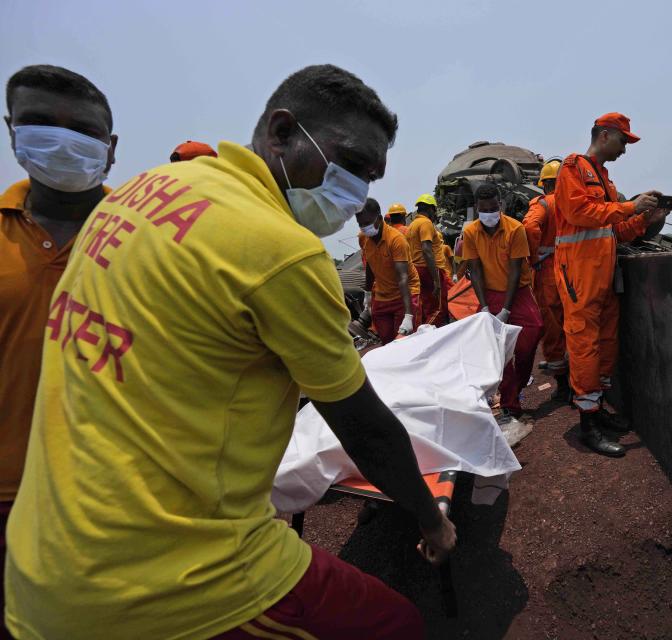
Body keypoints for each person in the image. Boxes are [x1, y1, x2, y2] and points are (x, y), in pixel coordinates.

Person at [4, 64, 455, 640]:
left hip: (39, 556)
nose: (355, 191)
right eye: (348, 163)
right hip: (168, 577)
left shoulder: (135, 196)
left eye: (369, 177)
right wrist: (431, 522)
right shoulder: (283, 251)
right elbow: (366, 432)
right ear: (282, 131)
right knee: (396, 625)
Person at [0, 64, 118, 625]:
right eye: (41, 123)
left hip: (112, 498)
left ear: (111, 148)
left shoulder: (151, 239)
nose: (64, 142)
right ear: (12, 131)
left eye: (86, 133)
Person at [553, 112, 670, 457]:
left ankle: (597, 410)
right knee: (585, 346)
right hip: (580, 274)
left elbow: (614, 231)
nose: (624, 149)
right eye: (623, 141)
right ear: (604, 136)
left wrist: (643, 217)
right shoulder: (573, 168)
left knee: (604, 343)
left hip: (601, 274)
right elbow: (578, 213)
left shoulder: (606, 181)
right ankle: (588, 425)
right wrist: (628, 206)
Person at [462, 183, 544, 419]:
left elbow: (515, 271)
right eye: (484, 209)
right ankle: (510, 406)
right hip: (489, 294)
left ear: (501, 205)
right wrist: (486, 307)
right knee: (499, 351)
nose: (489, 213)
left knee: (533, 333)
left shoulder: (515, 229)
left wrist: (507, 309)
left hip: (516, 292)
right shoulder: (470, 233)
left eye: (493, 207)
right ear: (477, 208)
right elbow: (474, 270)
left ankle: (517, 386)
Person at [523, 159, 570, 401]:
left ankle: (563, 385)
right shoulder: (575, 203)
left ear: (544, 185)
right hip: (575, 268)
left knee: (553, 324)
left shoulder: (544, 204)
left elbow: (530, 227)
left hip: (550, 272)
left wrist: (533, 257)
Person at [357, 197, 420, 344]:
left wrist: (408, 315)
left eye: (367, 223)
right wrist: (367, 293)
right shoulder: (364, 238)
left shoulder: (396, 240)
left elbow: (402, 277)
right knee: (386, 342)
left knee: (404, 343)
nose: (364, 228)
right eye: (361, 225)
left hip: (404, 294)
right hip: (382, 295)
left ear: (379, 219)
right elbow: (370, 266)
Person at [405, 193, 448, 324]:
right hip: (429, 269)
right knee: (438, 309)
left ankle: (423, 332)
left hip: (417, 269)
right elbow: (427, 250)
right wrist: (436, 280)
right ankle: (431, 336)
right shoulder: (426, 223)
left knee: (426, 307)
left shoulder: (412, 225)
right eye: (434, 210)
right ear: (430, 209)